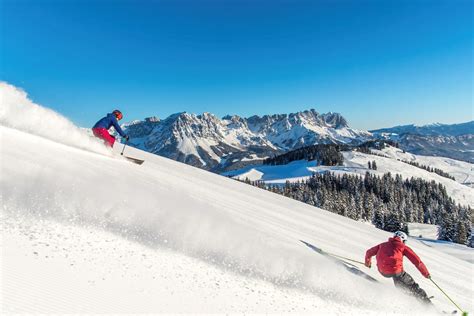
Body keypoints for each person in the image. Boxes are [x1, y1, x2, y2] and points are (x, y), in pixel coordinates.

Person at [365, 231, 432, 304]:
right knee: (413, 286)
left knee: (400, 284)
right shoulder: (403, 247)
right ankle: (428, 305)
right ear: (402, 239)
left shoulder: (382, 245)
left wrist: (367, 263)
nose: (404, 243)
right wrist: (426, 274)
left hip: (382, 271)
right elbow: (417, 261)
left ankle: (408, 296)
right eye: (404, 241)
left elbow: (369, 252)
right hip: (396, 272)